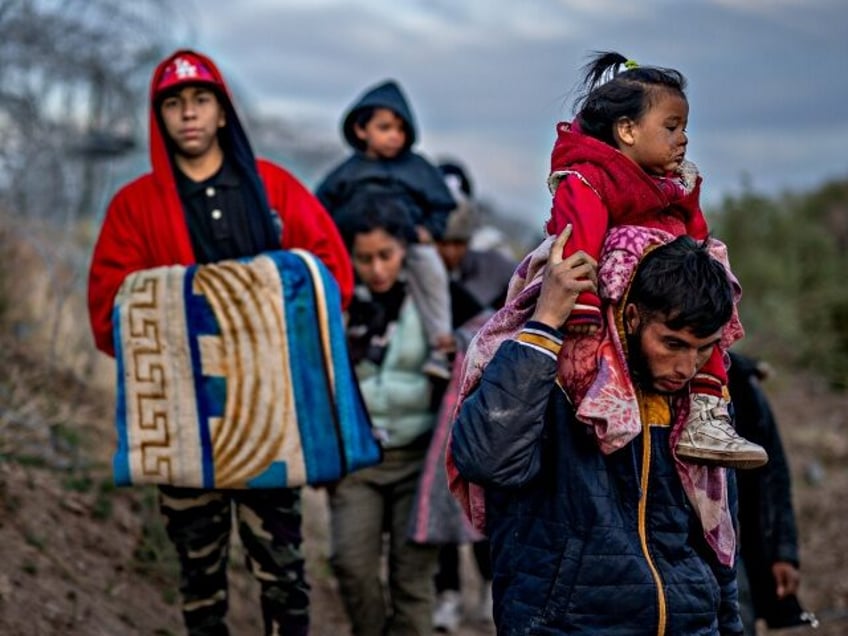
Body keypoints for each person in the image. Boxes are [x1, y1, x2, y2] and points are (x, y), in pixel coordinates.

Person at [87, 49, 354, 636]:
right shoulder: (133, 207)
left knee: (284, 573)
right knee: (199, 579)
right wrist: (188, 302)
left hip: (267, 417)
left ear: (222, 112)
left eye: (200, 100)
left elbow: (331, 274)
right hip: (184, 422)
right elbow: (107, 307)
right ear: (160, 117)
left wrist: (266, 295)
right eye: (175, 104)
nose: (189, 114)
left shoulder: (275, 190)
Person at [448, 229, 746, 634]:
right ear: (633, 315)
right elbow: (486, 459)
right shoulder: (555, 377)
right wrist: (545, 323)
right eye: (672, 344)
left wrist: (726, 624)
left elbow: (717, 533)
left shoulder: (701, 403)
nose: (687, 365)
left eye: (704, 347)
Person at [544, 51, 766, 469]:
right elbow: (580, 245)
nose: (683, 139)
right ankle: (600, 395)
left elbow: (697, 234)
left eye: (684, 128)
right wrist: (582, 308)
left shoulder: (675, 184)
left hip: (668, 283)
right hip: (599, 292)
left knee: (708, 291)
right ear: (627, 130)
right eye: (671, 127)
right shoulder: (587, 177)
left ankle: (706, 410)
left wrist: (703, 273)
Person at [329, 194, 444, 636]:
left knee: (411, 579)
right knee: (350, 565)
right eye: (364, 258)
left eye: (385, 256)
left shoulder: (435, 301)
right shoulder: (339, 304)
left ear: (404, 252)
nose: (376, 269)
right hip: (358, 461)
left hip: (418, 461)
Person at [316, 79, 457, 381]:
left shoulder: (417, 168)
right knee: (335, 283)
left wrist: (428, 231)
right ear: (360, 129)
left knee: (430, 268)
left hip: (407, 242)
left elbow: (443, 203)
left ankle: (440, 343)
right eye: (384, 128)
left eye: (400, 129)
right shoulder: (347, 172)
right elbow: (320, 208)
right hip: (354, 249)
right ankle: (328, 345)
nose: (395, 136)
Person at [431, 161, 516, 632]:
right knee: (442, 501)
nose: (449, 251)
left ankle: (488, 585)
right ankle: (445, 592)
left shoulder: (498, 268)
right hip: (434, 402)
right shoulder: (419, 271)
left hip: (484, 401)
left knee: (482, 493)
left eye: (457, 241)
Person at [728, 352, 817, 634]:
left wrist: (783, 552)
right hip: (678, 548)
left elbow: (773, 475)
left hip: (737, 542)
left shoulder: (741, 383)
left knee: (738, 616)